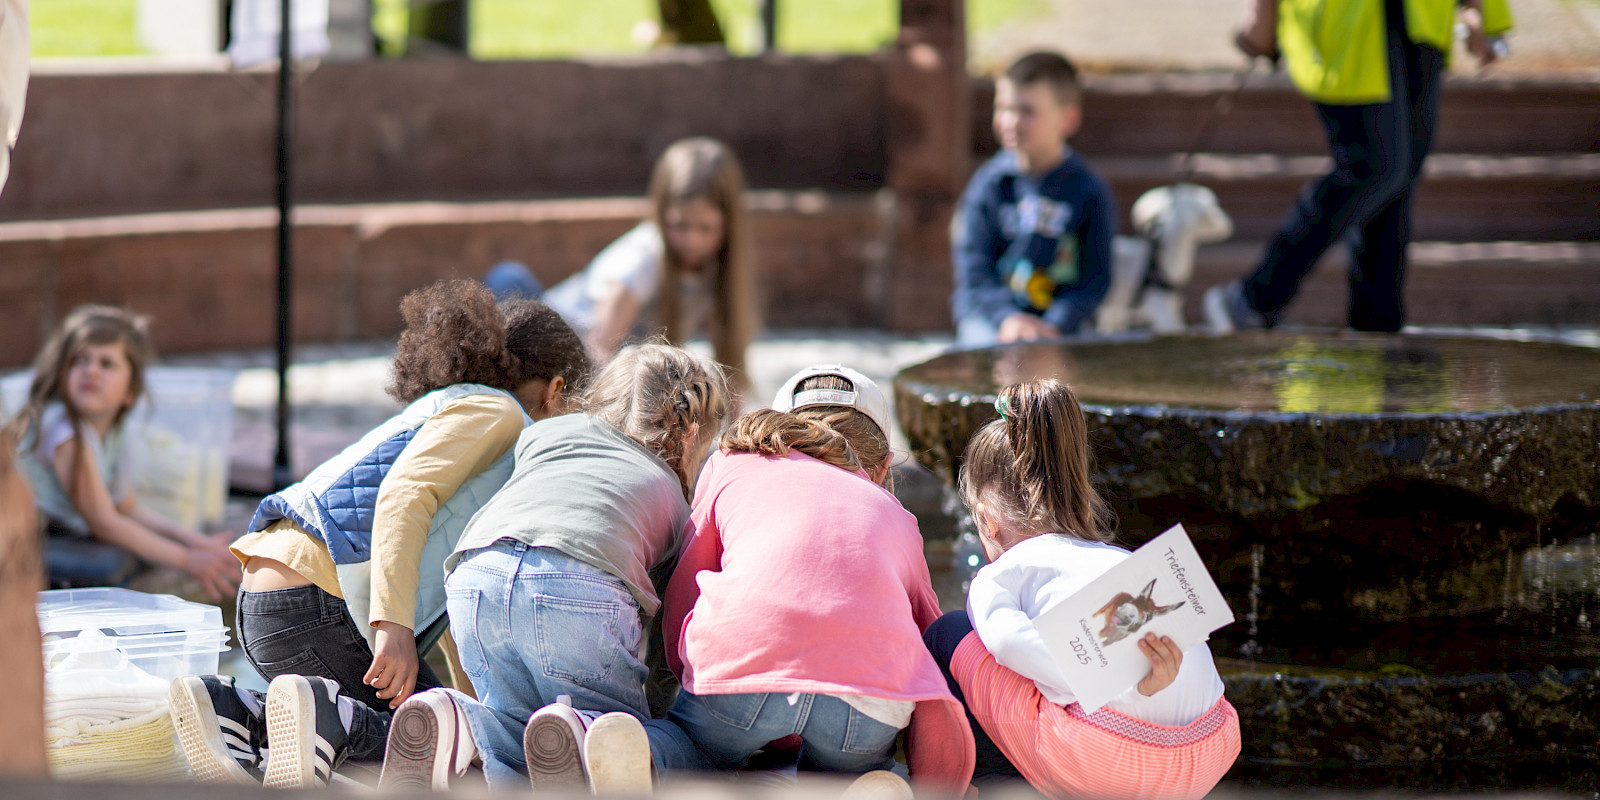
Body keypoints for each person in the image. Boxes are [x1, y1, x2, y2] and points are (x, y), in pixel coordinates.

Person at [166, 282, 591, 788]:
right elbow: (403, 498)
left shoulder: (451, 407)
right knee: (445, 756)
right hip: (320, 603)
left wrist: (476, 711)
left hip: (272, 601)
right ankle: (329, 719)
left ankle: (239, 714)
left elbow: (453, 590)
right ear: (557, 391)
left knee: (454, 736)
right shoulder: (500, 415)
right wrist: (394, 628)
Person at [568, 366, 973, 795]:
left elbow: (686, 588)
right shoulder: (897, 515)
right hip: (863, 701)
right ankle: (862, 784)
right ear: (884, 466)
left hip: (742, 671)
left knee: (694, 747)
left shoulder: (732, 464)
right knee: (852, 766)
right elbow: (927, 634)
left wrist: (686, 671)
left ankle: (648, 755)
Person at [374, 343, 729, 792]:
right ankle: (583, 729)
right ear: (690, 434)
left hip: (474, 577)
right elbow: (665, 644)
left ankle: (462, 724)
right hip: (576, 583)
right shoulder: (675, 504)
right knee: (617, 745)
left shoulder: (545, 435)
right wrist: (658, 712)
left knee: (517, 728)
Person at [923, 380, 1240, 799]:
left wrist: (1128, 687)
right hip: (1212, 747)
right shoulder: (1121, 560)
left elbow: (1007, 642)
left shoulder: (1000, 575)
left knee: (949, 632)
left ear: (987, 520)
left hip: (1109, 762)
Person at [1204, 0, 1512, 333]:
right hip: (1342, 21)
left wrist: (1482, 11)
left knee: (1398, 178)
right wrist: (1262, 12)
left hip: (1422, 18)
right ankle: (1254, 297)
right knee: (1373, 168)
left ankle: (1377, 325)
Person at [8, 305, 241, 598]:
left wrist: (193, 541)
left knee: (128, 555)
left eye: (106, 364)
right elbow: (104, 522)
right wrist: (187, 560)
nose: (91, 370)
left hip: (50, 532)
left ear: (130, 392)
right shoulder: (66, 434)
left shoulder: (115, 433)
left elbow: (126, 507)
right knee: (111, 562)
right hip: (20, 534)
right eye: (80, 360)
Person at [492, 137, 758, 390]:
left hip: (594, 359)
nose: (691, 240)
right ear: (661, 214)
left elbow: (732, 372)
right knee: (508, 282)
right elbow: (598, 352)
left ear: (728, 225)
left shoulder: (719, 270)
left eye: (705, 228)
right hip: (560, 341)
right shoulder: (643, 260)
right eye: (680, 225)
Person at [951, 51, 1115, 348]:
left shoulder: (1087, 190)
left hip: (1060, 327)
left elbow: (1094, 279)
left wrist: (1055, 324)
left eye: (1027, 111)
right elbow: (974, 271)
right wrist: (1007, 318)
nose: (1011, 121)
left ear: (1068, 119)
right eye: (1003, 107)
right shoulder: (989, 185)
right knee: (987, 358)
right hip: (992, 320)